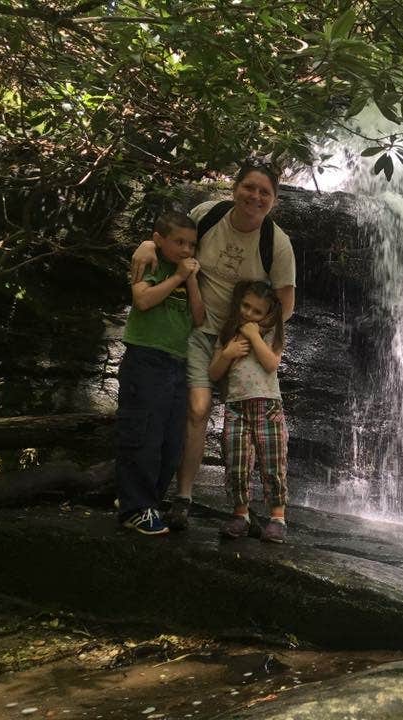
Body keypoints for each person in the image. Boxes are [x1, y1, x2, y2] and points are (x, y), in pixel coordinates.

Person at [131, 161, 296, 531]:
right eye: (249, 187)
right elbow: (173, 240)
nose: (255, 196)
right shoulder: (208, 214)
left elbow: (286, 306)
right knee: (197, 409)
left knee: (254, 426)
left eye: (264, 192)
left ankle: (264, 512)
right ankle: (184, 497)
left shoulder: (277, 244)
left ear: (274, 200)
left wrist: (254, 333)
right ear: (235, 187)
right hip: (200, 332)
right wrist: (146, 243)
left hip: (242, 342)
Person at [117, 211, 205, 535]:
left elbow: (198, 317)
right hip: (145, 359)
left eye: (191, 245)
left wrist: (191, 279)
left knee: (171, 441)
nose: (186, 250)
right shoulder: (151, 263)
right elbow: (141, 300)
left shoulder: (187, 272)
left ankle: (147, 502)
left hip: (177, 363)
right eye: (179, 242)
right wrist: (178, 277)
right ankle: (135, 508)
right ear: (158, 240)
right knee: (143, 436)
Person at [209, 280, 288, 542]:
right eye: (245, 306)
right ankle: (240, 514)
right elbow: (213, 373)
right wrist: (228, 353)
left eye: (257, 311)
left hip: (267, 405)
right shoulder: (228, 333)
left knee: (272, 461)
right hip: (236, 405)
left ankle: (277, 517)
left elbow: (271, 364)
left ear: (267, 314)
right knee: (237, 461)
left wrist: (254, 336)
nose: (249, 313)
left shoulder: (271, 333)